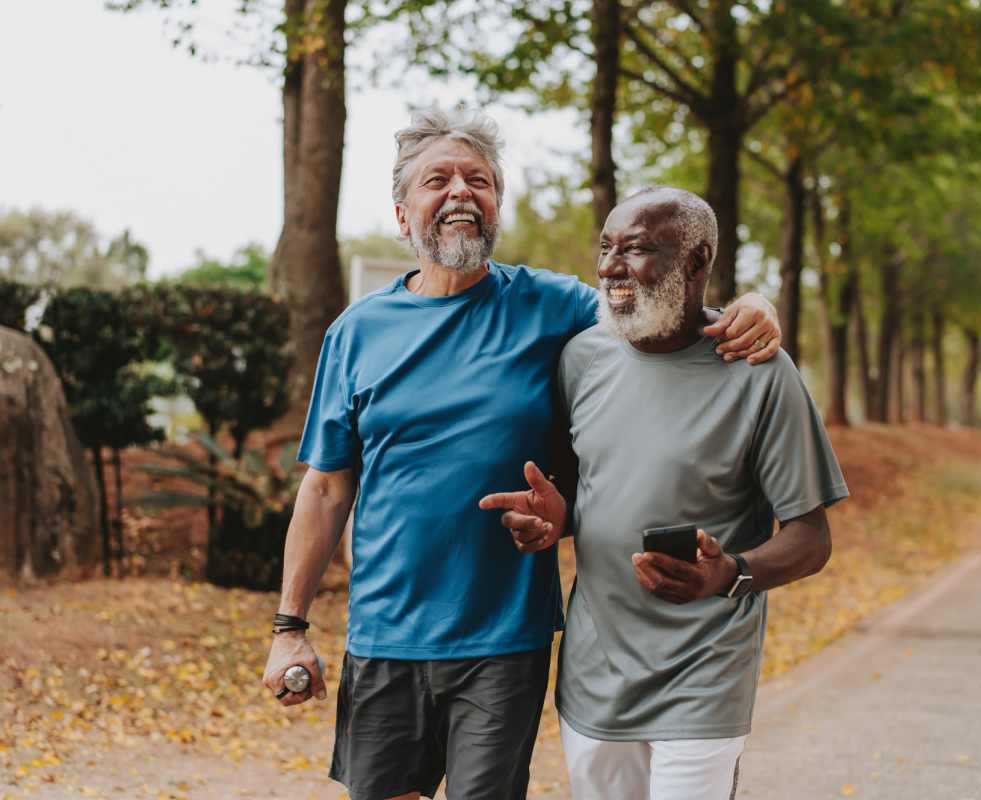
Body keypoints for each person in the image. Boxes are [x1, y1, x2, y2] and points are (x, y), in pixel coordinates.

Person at [260, 109, 784, 800]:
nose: (459, 192)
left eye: (478, 180)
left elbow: (659, 313)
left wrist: (750, 303)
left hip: (503, 636)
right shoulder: (356, 333)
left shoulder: (552, 306)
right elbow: (326, 489)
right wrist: (289, 627)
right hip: (384, 633)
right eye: (436, 180)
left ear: (497, 207)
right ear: (401, 213)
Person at [480, 186, 848, 800]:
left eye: (638, 249)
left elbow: (811, 540)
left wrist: (730, 573)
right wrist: (552, 518)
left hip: (703, 674)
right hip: (596, 673)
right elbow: (584, 488)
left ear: (698, 261)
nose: (610, 266)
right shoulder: (582, 358)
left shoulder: (759, 372)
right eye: (605, 248)